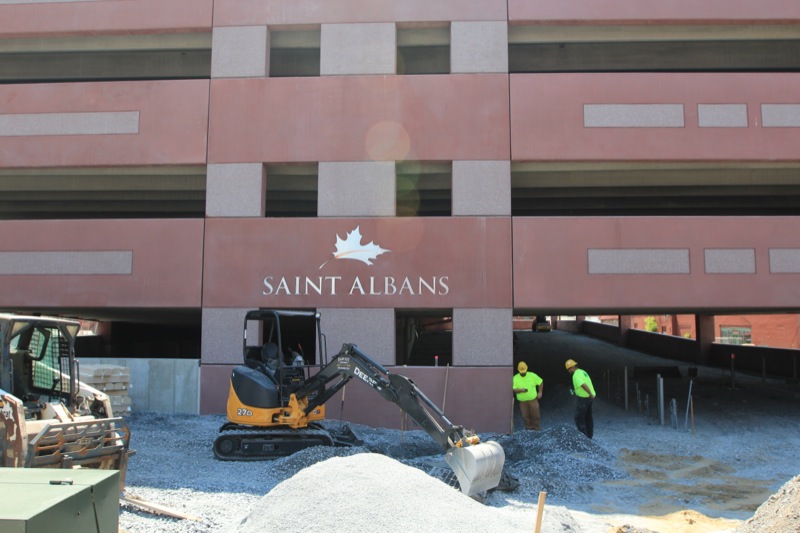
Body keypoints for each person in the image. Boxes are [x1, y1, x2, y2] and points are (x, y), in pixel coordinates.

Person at [565, 358, 595, 439]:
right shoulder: (582, 371)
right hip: (589, 398)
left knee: (579, 418)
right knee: (588, 417)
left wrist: (589, 393)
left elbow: (584, 385)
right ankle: (589, 436)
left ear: (571, 368)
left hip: (583, 398)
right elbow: (583, 384)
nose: (568, 371)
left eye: (568, 369)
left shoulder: (575, 376)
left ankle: (583, 438)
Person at [512, 361, 544, 430]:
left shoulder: (532, 375)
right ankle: (528, 428)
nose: (523, 372)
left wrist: (540, 392)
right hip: (522, 401)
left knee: (536, 414)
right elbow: (513, 389)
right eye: (522, 371)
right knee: (525, 416)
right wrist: (520, 390)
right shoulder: (515, 378)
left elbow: (540, 382)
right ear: (518, 370)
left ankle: (536, 428)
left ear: (526, 369)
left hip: (533, 399)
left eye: (524, 371)